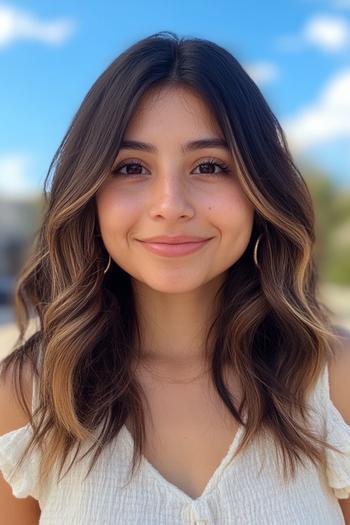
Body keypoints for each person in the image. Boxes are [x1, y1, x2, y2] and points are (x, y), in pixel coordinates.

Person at [0, 31, 349, 525]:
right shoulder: (27, 395)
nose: (170, 206)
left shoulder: (333, 380)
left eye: (210, 165)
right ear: (90, 191)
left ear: (258, 187)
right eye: (130, 167)